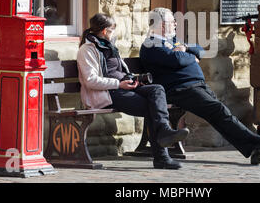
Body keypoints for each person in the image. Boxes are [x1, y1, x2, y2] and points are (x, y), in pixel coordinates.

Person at [140, 7, 260, 165]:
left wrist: (187, 50)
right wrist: (189, 56)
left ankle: (254, 149)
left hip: (194, 86)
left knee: (220, 116)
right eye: (172, 22)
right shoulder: (151, 45)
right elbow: (179, 60)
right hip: (181, 89)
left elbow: (200, 51)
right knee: (220, 112)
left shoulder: (172, 41)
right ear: (162, 25)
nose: (175, 24)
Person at [77, 13, 189, 170]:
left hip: (123, 86)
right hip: (109, 93)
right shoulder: (87, 50)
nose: (114, 33)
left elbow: (119, 70)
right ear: (104, 31)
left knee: (157, 90)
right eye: (112, 29)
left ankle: (164, 130)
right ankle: (162, 156)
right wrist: (119, 84)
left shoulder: (109, 46)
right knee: (152, 107)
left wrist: (133, 79)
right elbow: (90, 80)